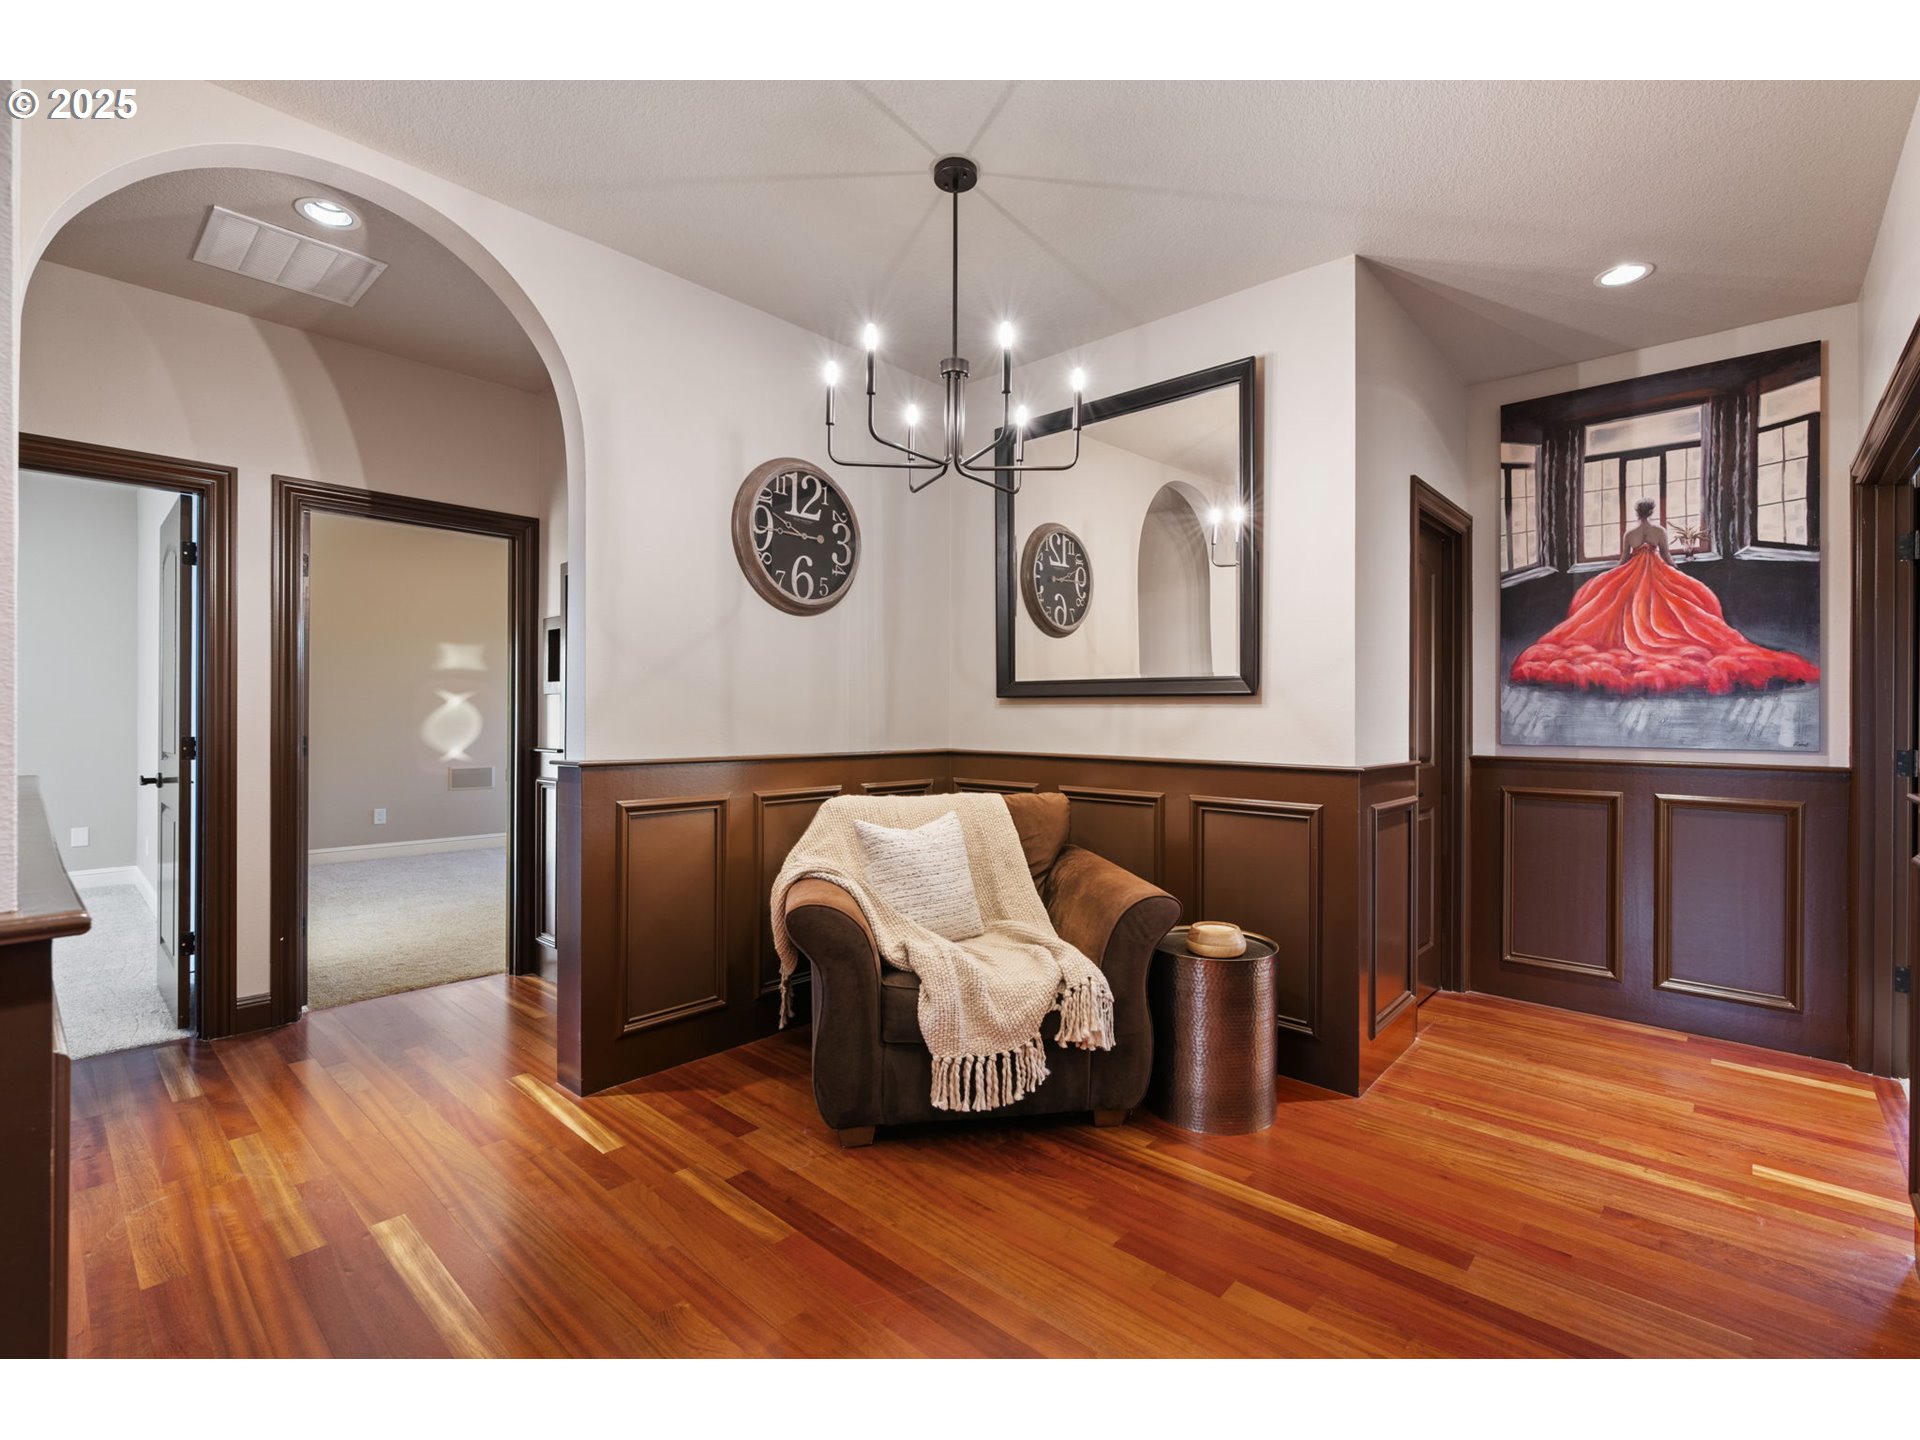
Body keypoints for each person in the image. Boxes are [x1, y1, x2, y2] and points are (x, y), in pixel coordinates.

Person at [1509, 498, 1817, 696]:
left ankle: (1631, 639)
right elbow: (1668, 559)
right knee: (1666, 612)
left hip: (1632, 573)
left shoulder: (1630, 535)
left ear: (1637, 513)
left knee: (1627, 611)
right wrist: (1680, 573)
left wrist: (1611, 576)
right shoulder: (1658, 532)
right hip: (1655, 571)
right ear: (1652, 512)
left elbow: (1622, 562)